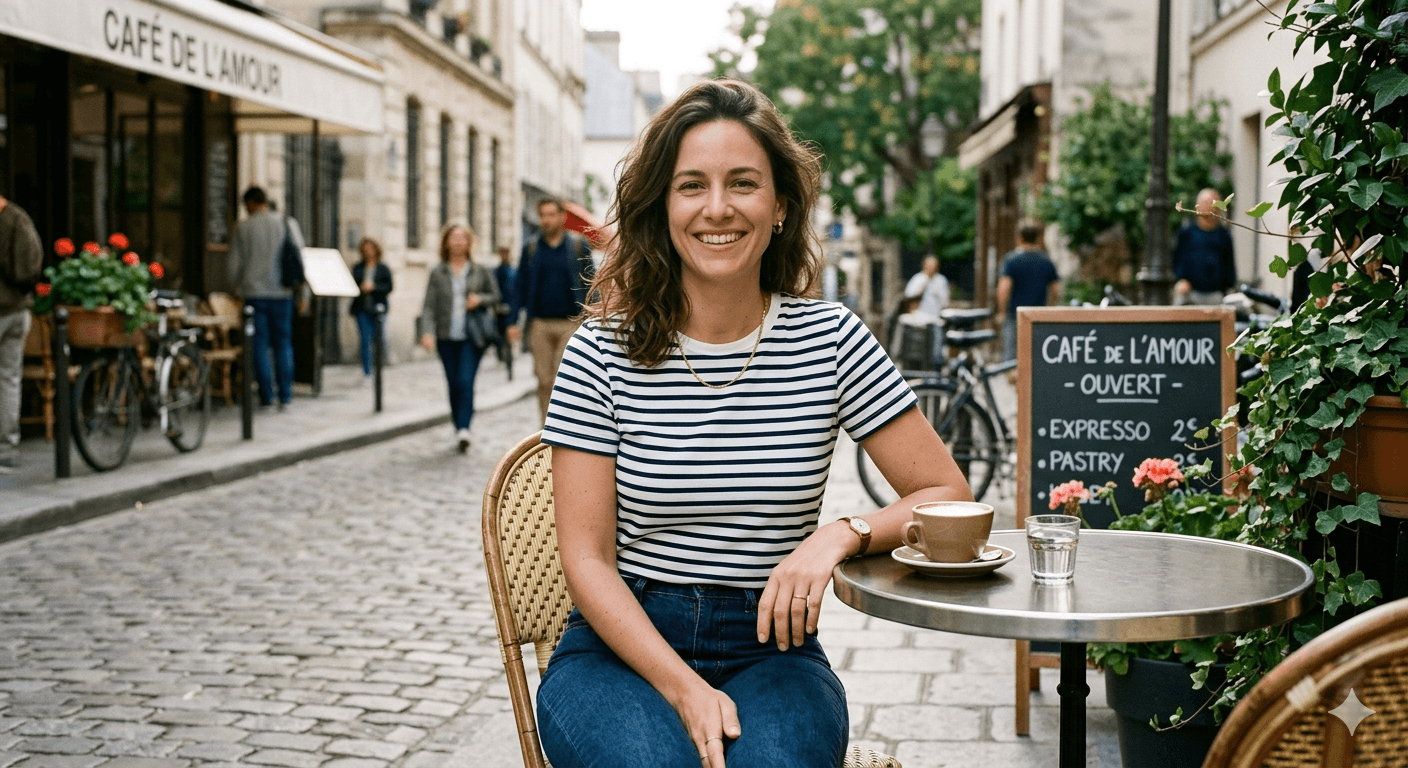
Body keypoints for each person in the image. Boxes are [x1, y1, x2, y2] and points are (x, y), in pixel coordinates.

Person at [535, 79, 972, 768]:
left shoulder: (831, 340)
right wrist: (682, 688)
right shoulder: (600, 351)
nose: (717, 209)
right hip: (617, 650)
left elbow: (947, 494)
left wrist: (842, 534)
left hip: (773, 650)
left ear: (780, 207)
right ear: (662, 206)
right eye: (691, 186)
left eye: (742, 183)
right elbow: (585, 557)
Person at [418, 223, 501, 454]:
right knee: (453, 383)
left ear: (468, 242)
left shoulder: (479, 270)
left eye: (462, 238)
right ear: (446, 242)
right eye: (453, 238)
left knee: (465, 381)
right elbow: (428, 306)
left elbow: (495, 296)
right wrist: (426, 332)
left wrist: (479, 300)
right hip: (446, 336)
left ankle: (464, 428)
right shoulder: (438, 272)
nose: (457, 242)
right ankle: (458, 425)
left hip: (471, 337)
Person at [514, 198, 595, 421]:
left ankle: (565, 427)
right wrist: (512, 322)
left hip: (570, 322)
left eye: (551, 215)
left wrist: (595, 319)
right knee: (543, 380)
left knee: (564, 378)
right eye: (543, 215)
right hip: (539, 323)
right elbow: (519, 286)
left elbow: (591, 283)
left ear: (562, 217)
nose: (546, 220)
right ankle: (546, 429)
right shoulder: (530, 248)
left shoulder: (578, 245)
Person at [229, 186, 303, 410]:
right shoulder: (287, 223)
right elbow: (300, 258)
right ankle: (286, 395)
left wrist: (235, 288)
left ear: (250, 203)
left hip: (254, 295)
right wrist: (304, 293)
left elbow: (234, 266)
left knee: (258, 346)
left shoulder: (243, 227)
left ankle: (266, 395)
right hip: (282, 293)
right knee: (283, 344)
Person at [0, 194, 43, 473]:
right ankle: (4, 450)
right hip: (17, 308)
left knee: (8, 377)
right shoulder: (18, 218)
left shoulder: (14, 219)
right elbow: (31, 266)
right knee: (8, 378)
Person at [996, 220, 1060, 362]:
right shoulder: (1046, 261)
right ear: (1038, 237)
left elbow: (1003, 288)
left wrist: (1001, 312)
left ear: (1019, 237)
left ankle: (1014, 383)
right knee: (1036, 357)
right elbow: (1056, 290)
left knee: (1012, 358)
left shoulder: (1011, 260)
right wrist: (1050, 309)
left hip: (1015, 315)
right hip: (1038, 316)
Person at [1172, 188, 1236, 305]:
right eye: (1207, 203)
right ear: (1198, 206)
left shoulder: (1224, 235)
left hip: (1216, 295)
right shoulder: (1187, 231)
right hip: (1189, 293)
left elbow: (1229, 265)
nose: (1212, 207)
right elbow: (1176, 259)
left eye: (1215, 203)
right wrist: (1180, 280)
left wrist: (1228, 288)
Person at [350, 237, 393, 380]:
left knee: (379, 339)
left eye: (371, 248)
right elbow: (352, 284)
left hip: (378, 307)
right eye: (365, 249)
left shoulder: (383, 268)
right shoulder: (358, 267)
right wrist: (361, 287)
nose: (368, 252)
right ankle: (367, 371)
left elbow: (389, 287)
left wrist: (374, 287)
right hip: (362, 308)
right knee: (364, 339)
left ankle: (379, 367)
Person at [491, 245, 517, 379]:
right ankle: (502, 359)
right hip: (497, 311)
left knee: (508, 341)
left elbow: (516, 293)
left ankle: (509, 368)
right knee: (498, 339)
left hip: (511, 311)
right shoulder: (495, 271)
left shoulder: (513, 271)